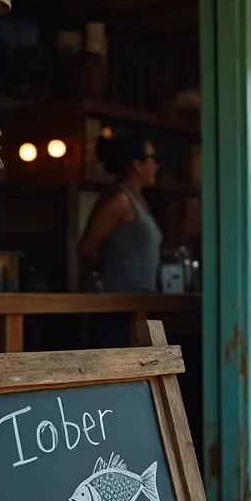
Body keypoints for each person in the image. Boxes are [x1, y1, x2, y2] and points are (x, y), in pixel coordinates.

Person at [77, 135, 163, 348]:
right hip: (117, 307)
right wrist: (105, 278)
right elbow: (86, 248)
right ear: (137, 164)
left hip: (141, 304)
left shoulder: (140, 201)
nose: (157, 165)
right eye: (152, 158)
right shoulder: (119, 200)